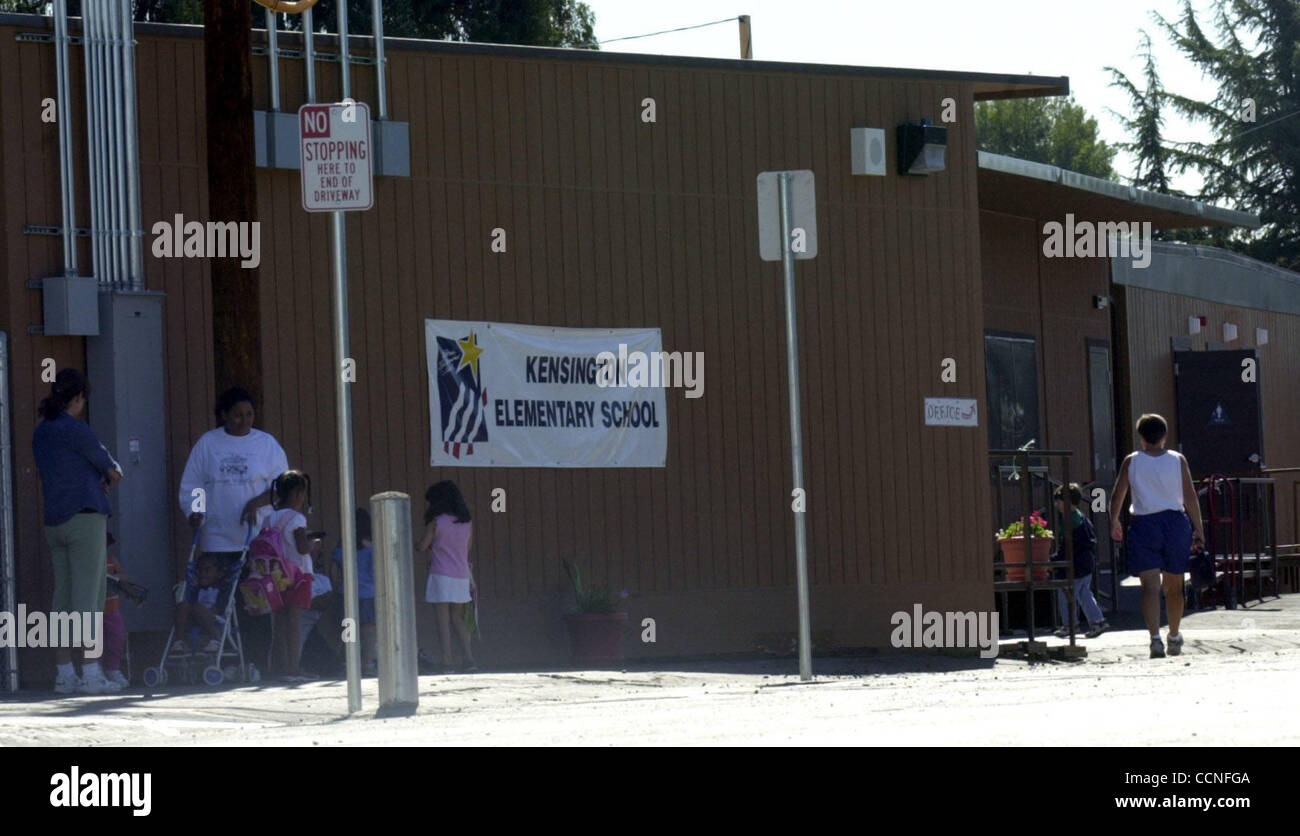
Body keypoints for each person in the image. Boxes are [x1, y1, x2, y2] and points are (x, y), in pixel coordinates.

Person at [32, 369, 123, 695]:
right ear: (78, 397)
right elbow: (112, 469)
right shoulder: (78, 429)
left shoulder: (41, 432)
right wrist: (106, 478)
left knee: (64, 599)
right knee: (89, 597)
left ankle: (64, 674)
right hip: (85, 517)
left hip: (54, 519)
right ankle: (92, 673)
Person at [1109, 414, 1206, 659]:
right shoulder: (1178, 460)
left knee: (1149, 587)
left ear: (1141, 437)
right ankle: (1174, 634)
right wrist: (1199, 528)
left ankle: (1154, 639)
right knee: (1174, 586)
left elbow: (1117, 494)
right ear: (1164, 436)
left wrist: (1114, 520)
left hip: (1144, 524)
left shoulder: (1131, 461)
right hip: (1175, 524)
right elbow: (1190, 496)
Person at [178, 387, 290, 564]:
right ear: (224, 414)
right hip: (216, 539)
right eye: (238, 415)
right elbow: (194, 483)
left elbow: (284, 486)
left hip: (257, 537)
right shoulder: (208, 443)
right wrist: (195, 511)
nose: (244, 421)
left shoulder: (267, 443)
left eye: (249, 414)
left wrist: (257, 502)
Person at [263, 470, 322, 678]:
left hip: (276, 575)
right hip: (298, 575)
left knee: (279, 621)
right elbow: (302, 548)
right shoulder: (297, 518)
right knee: (295, 621)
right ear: (298, 493)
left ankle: (279, 665)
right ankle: (294, 666)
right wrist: (313, 544)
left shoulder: (269, 518)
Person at [419, 480, 476, 672]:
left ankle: (447, 661)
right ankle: (469, 659)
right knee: (458, 619)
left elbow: (422, 547)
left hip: (441, 574)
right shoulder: (466, 523)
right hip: (461, 575)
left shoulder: (437, 522)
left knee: (442, 619)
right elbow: (466, 550)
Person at [1051, 483, 1108, 639]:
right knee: (1084, 594)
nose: (1056, 504)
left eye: (1059, 501)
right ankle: (1098, 621)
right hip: (1086, 563)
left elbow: (1067, 546)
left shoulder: (1070, 520)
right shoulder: (1080, 517)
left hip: (1075, 565)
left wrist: (1054, 559)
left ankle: (1070, 626)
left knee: (1066, 593)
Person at [330, 508, 376, 675]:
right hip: (369, 593)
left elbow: (334, 570)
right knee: (369, 630)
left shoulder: (343, 545)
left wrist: (336, 588)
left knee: (349, 629)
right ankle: (367, 664)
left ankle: (349, 663)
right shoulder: (372, 546)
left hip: (347, 593)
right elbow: (376, 570)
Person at [172, 554, 227, 654]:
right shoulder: (196, 589)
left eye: (207, 570)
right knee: (182, 605)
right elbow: (189, 605)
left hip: (214, 619)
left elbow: (219, 608)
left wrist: (203, 612)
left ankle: (216, 638)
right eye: (200, 571)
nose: (202, 574)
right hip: (195, 617)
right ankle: (179, 641)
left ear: (219, 574)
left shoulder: (222, 590)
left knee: (196, 607)